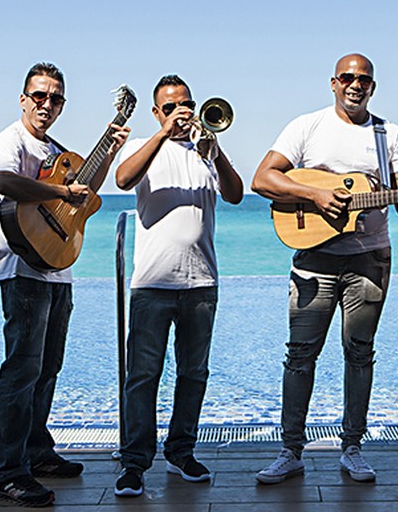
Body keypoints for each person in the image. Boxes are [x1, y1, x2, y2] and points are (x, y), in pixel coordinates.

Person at [251, 53, 398, 484]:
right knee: (300, 355)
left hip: (369, 259)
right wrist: (314, 197)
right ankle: (290, 450)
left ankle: (352, 447)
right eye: (348, 78)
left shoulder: (392, 136)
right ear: (333, 83)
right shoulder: (307, 126)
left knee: (360, 353)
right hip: (314, 258)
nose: (356, 85)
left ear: (373, 86)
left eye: (364, 79)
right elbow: (262, 179)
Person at [0, 62, 130, 507]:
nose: (47, 104)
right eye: (40, 96)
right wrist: (58, 194)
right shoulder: (11, 140)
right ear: (24, 98)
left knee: (48, 368)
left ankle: (38, 451)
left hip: (59, 265)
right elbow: (1, 180)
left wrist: (106, 153)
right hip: (23, 269)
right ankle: (10, 472)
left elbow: (84, 194)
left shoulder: (59, 150)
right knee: (21, 370)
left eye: (56, 98)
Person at [113, 75, 243, 497]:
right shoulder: (144, 148)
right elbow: (123, 179)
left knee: (193, 373)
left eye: (185, 104)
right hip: (152, 283)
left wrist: (216, 152)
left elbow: (237, 194)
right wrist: (163, 135)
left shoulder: (205, 151)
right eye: (170, 107)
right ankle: (134, 462)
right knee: (143, 375)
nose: (180, 112)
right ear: (157, 113)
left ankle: (181, 451)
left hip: (202, 282)